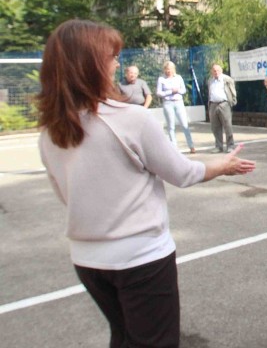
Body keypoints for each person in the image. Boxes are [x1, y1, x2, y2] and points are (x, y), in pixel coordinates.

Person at [37, 19, 255, 348]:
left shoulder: (49, 131)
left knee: (123, 335)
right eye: (110, 57)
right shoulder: (130, 118)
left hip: (87, 260)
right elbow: (182, 173)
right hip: (140, 259)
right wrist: (221, 165)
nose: (116, 64)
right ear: (89, 64)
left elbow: (65, 194)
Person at [156, 61, 196, 153]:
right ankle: (174, 148)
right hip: (168, 103)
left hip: (178, 102)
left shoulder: (178, 78)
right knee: (171, 126)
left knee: (184, 124)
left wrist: (177, 90)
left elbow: (183, 90)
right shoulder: (161, 79)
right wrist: (170, 92)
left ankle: (191, 145)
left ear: (173, 69)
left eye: (170, 69)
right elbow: (158, 93)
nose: (168, 71)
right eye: (166, 69)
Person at [208, 63, 237, 153]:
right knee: (215, 127)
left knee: (227, 125)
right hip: (213, 104)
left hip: (224, 104)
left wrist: (232, 102)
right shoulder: (210, 80)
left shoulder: (227, 79)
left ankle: (230, 145)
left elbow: (233, 91)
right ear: (211, 72)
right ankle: (218, 146)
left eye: (217, 70)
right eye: (214, 70)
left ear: (221, 71)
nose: (216, 72)